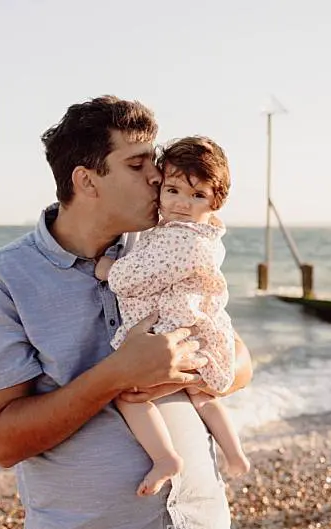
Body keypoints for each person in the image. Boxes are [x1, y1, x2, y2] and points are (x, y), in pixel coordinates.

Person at [0, 96, 253, 529]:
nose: (157, 177)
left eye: (155, 162)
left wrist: (179, 370)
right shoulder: (4, 278)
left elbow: (239, 361)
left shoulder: (166, 244)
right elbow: (5, 441)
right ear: (87, 180)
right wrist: (118, 374)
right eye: (138, 164)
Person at [94, 135, 250, 497]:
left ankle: (165, 457)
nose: (182, 203)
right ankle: (234, 452)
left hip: (174, 330)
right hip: (194, 328)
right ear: (161, 188)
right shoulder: (196, 234)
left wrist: (108, 269)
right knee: (202, 396)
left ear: (216, 202)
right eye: (174, 190)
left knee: (129, 394)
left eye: (197, 196)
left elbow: (138, 277)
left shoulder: (183, 239)